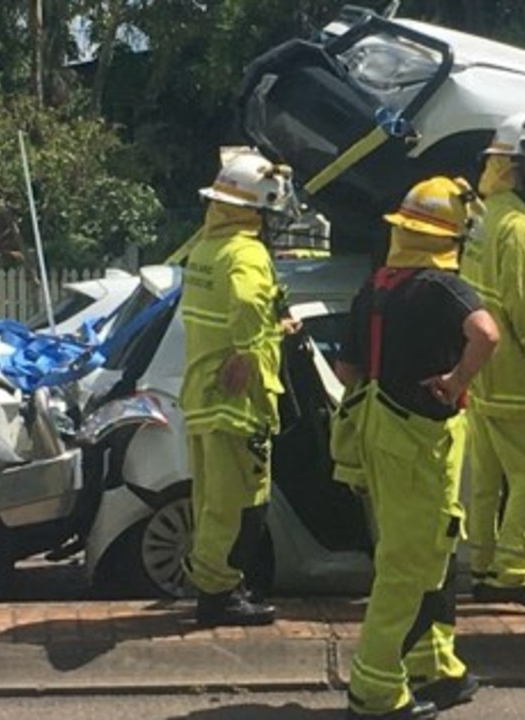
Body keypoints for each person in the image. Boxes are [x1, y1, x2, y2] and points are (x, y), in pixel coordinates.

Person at [335, 176, 499, 719]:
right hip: (423, 439)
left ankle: (436, 664)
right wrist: (456, 379)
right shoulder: (442, 287)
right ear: (454, 234)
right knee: (409, 565)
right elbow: (487, 334)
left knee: (428, 552)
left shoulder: (376, 287)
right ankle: (376, 693)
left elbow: (347, 369)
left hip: (382, 432)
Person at [179, 149, 299, 628]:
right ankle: (220, 593)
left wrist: (274, 325)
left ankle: (217, 585)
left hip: (203, 393)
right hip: (237, 401)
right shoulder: (247, 253)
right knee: (244, 501)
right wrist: (250, 352)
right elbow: (248, 301)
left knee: (212, 500)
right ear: (255, 210)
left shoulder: (205, 251)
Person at [459, 112, 525, 612]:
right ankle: (515, 573)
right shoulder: (520, 227)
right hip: (513, 366)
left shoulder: (481, 217)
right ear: (519, 167)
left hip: (479, 367)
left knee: (487, 476)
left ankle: (482, 565)